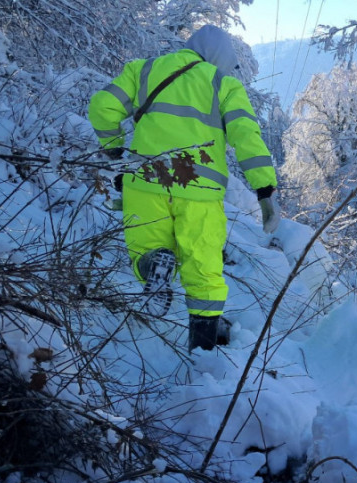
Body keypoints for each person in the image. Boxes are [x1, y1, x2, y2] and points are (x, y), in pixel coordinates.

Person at [88, 24, 280, 351]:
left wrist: (115, 149)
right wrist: (265, 189)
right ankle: (203, 352)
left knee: (145, 250)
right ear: (219, 58)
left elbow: (101, 107)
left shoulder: (144, 70)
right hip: (199, 194)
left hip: (145, 181)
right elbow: (247, 137)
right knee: (203, 271)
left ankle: (155, 262)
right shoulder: (224, 84)